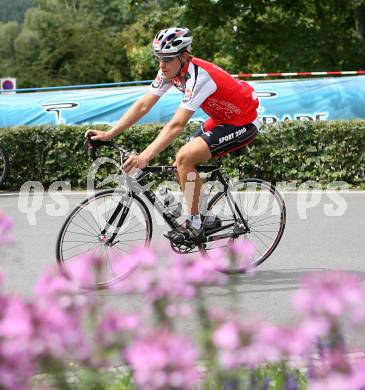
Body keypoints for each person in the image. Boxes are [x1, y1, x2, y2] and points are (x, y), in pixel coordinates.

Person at [85, 27, 259, 243]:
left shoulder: (199, 76)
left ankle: (195, 223)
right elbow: (143, 106)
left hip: (243, 121)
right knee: (182, 162)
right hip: (221, 119)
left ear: (184, 56)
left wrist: (144, 157)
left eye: (167, 58)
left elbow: (177, 124)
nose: (162, 64)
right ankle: (206, 217)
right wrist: (109, 133)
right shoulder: (171, 70)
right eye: (159, 58)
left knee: (184, 157)